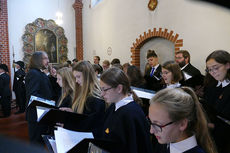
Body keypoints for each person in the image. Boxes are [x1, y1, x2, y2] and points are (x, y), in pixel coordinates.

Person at [99, 67, 153, 153]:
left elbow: (133, 147)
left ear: (119, 88)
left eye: (105, 89)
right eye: (101, 89)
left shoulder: (131, 114)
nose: (102, 94)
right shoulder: (114, 106)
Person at [149, 87, 217, 153]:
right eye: (150, 121)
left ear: (182, 124)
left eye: (158, 125)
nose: (151, 131)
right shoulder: (165, 142)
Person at [61, 61, 105, 137]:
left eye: (78, 77)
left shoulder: (95, 99)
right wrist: (72, 113)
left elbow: (89, 126)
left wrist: (67, 124)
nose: (76, 81)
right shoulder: (82, 93)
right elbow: (83, 117)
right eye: (75, 77)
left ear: (87, 76)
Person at [203, 50, 230, 153]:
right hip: (211, 139)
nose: (213, 72)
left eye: (216, 68)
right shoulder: (211, 86)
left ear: (227, 65)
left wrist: (212, 126)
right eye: (209, 69)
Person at [25, 51, 54, 145]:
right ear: (38, 60)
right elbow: (33, 95)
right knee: (36, 144)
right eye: (45, 58)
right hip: (36, 115)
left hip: (41, 112)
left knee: (41, 142)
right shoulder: (33, 73)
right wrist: (50, 101)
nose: (48, 61)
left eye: (48, 58)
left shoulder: (39, 73)